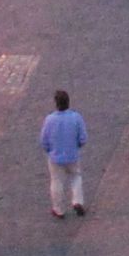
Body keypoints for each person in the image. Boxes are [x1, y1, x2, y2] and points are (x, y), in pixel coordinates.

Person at [39, 89, 89, 218]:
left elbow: (44, 140)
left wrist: (49, 150)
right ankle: (77, 200)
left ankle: (58, 209)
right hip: (72, 155)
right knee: (76, 177)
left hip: (55, 157)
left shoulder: (50, 119)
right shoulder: (76, 117)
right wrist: (78, 145)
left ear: (56, 103)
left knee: (56, 182)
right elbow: (83, 137)